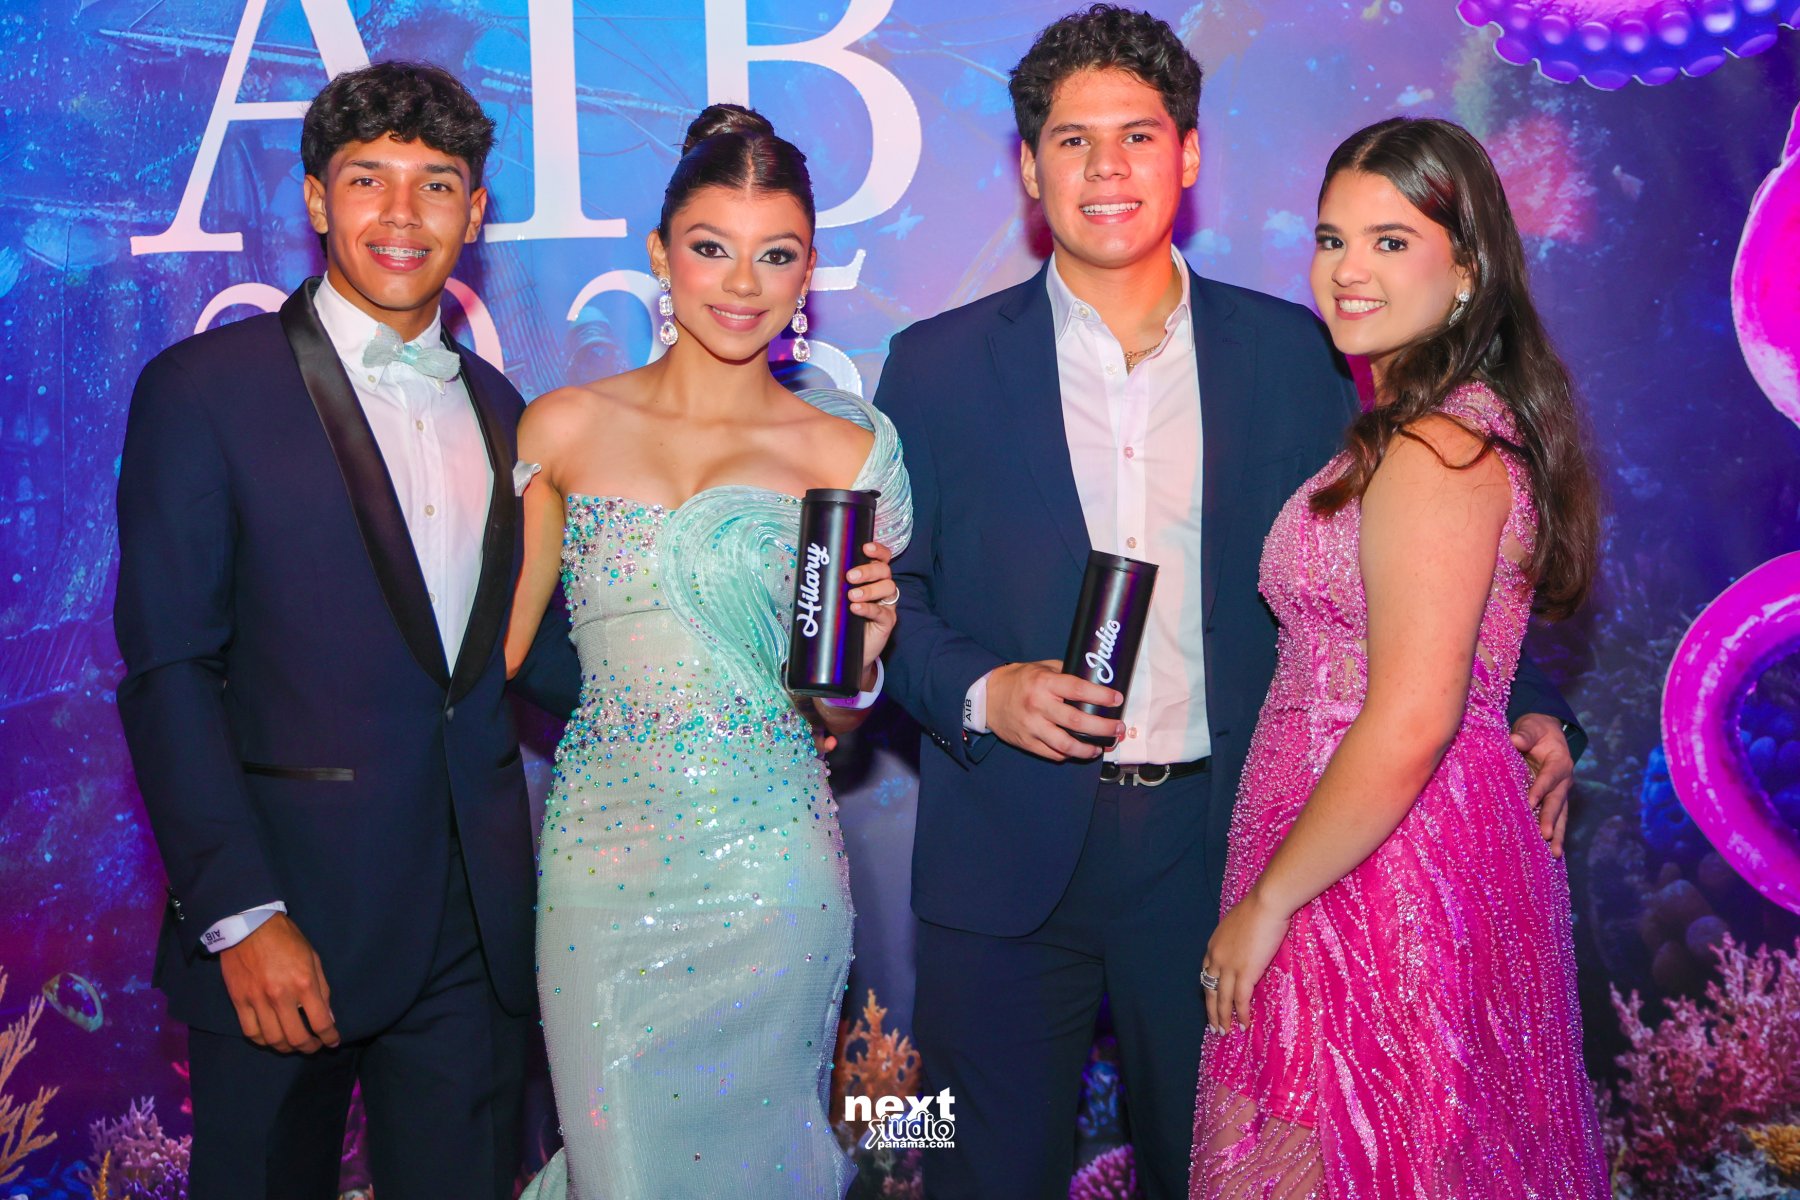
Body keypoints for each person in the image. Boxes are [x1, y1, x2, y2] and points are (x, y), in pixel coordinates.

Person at [875, 10, 1586, 1199]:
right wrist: (983, 691)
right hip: (999, 856)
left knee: (1221, 1178)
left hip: (1222, 854)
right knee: (969, 1176)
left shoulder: (1303, 352)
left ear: (1191, 155)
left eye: (1138, 136)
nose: (1106, 169)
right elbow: (882, 593)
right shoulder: (932, 365)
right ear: (1030, 169)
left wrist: (1534, 702)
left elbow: (1416, 567)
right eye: (1072, 140)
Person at [114, 62, 580, 1200]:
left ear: (476, 213)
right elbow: (171, 671)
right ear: (317, 199)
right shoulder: (203, 389)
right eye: (369, 179)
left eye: (437, 185)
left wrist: (773, 695)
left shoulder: (507, 412)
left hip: (474, 934)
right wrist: (241, 917)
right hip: (288, 919)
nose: (402, 214)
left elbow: (539, 653)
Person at [1189, 116, 1609, 1198]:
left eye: (1390, 241)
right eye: (1332, 239)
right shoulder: (1425, 427)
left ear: (1467, 270)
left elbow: (1415, 716)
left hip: (1382, 874)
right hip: (1363, 841)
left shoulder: (1438, 447)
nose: (1348, 270)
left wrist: (1270, 902)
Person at [506, 104, 911, 1200]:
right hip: (601, 869)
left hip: (771, 870)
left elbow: (837, 715)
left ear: (808, 272)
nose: (742, 283)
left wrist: (866, 655)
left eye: (776, 255)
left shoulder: (845, 453)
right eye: (711, 247)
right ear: (659, 255)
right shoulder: (561, 427)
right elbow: (490, 659)